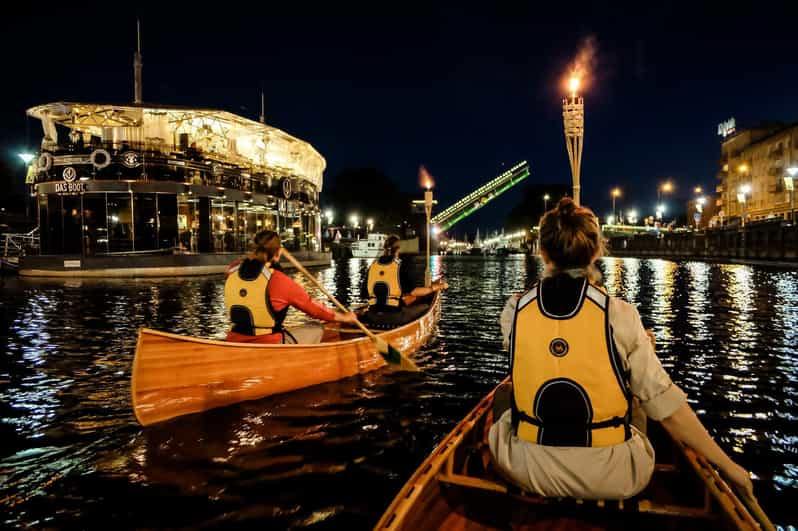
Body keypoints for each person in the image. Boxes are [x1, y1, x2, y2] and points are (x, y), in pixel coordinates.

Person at [489, 197, 753, 500]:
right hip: (615, 476)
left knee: (504, 395)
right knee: (637, 399)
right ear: (597, 250)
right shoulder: (620, 315)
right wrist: (731, 468)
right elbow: (669, 410)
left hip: (527, 467)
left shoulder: (514, 311)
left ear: (542, 252)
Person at [225, 230, 357, 344]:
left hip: (234, 339)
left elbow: (237, 264)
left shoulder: (232, 273)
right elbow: (314, 309)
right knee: (316, 327)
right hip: (269, 342)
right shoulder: (279, 281)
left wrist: (253, 255)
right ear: (277, 254)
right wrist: (345, 318)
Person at [360, 234, 448, 327]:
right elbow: (414, 292)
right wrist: (438, 287)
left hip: (372, 316)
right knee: (425, 307)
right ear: (398, 250)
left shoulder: (372, 267)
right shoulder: (399, 266)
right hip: (395, 318)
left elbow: (364, 294)